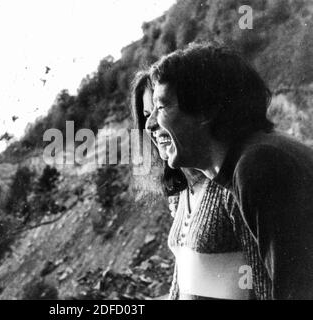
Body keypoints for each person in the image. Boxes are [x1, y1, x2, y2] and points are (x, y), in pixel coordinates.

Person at [148, 42, 313, 299]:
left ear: (206, 109)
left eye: (161, 107)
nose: (149, 124)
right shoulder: (254, 157)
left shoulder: (260, 164)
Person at [131, 71, 271, 300]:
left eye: (161, 109)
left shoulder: (231, 186)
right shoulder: (180, 192)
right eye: (146, 114)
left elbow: (263, 284)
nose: (150, 125)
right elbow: (183, 280)